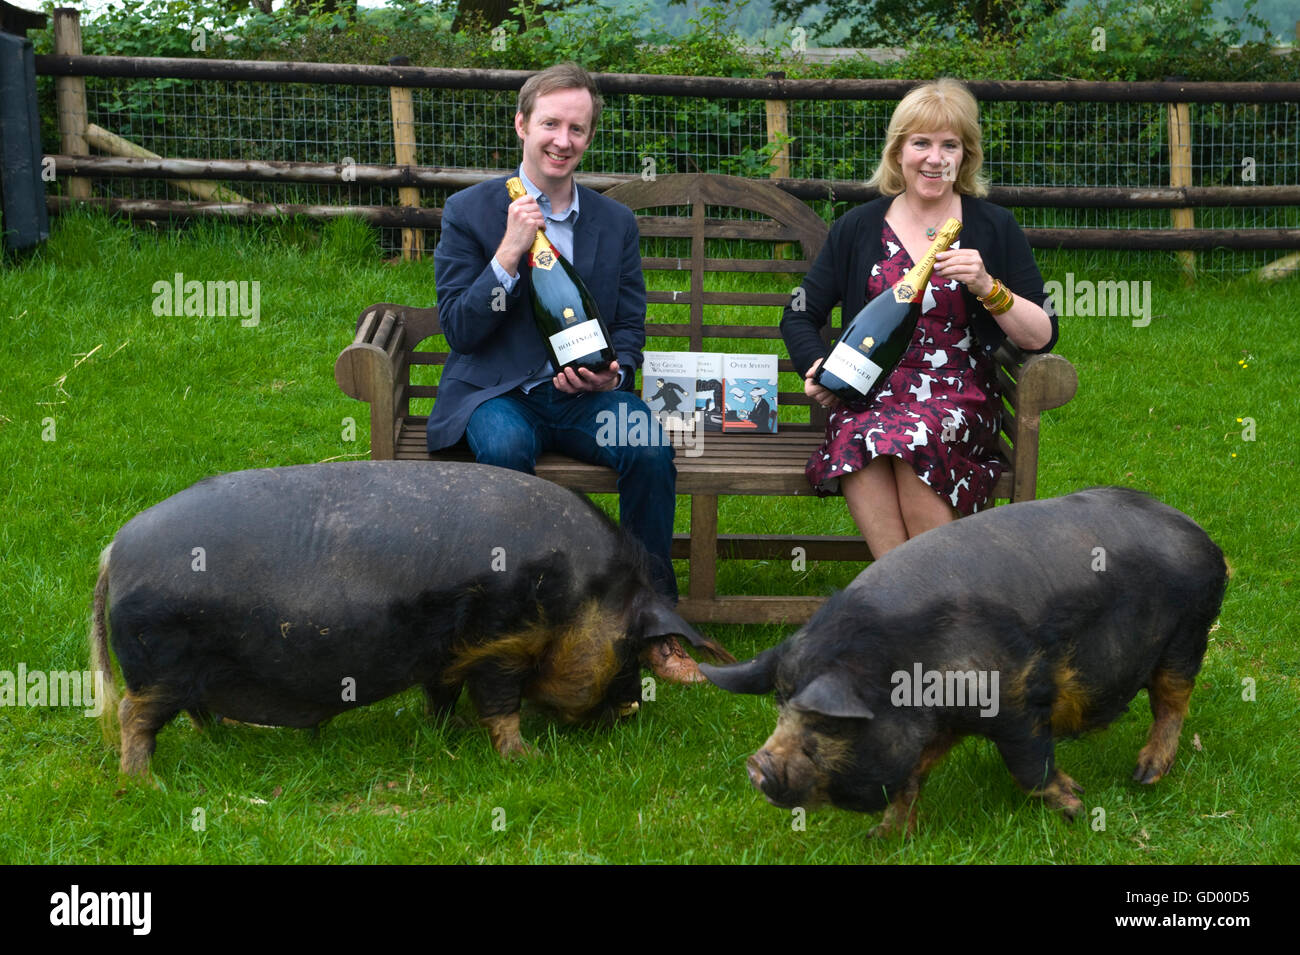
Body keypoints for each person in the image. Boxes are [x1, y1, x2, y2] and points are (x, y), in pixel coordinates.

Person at [427, 62, 693, 677]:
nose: (562, 140)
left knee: (648, 445)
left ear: (588, 138)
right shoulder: (469, 212)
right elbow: (461, 330)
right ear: (522, 125)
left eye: (577, 128)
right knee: (506, 447)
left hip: (583, 397)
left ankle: (652, 620)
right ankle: (517, 618)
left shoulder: (613, 222)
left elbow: (629, 327)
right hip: (499, 393)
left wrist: (615, 375)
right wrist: (507, 253)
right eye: (550, 124)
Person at [781, 78, 1058, 559]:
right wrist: (819, 367)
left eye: (949, 144)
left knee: (914, 434)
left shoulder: (993, 226)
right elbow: (799, 314)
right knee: (864, 432)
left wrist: (989, 287)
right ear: (898, 152)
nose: (935, 157)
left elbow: (1041, 336)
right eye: (921, 143)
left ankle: (922, 604)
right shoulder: (859, 226)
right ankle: (916, 608)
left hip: (957, 392)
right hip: (869, 389)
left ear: (965, 156)